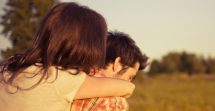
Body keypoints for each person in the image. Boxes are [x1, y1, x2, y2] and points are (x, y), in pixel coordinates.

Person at [0, 3, 135, 111]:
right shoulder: (60, 78)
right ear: (87, 47)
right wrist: (128, 85)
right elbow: (127, 88)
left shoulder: (8, 69)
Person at [71, 31, 148, 111]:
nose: (129, 83)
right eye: (130, 77)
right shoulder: (114, 102)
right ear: (117, 64)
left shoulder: (70, 82)